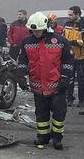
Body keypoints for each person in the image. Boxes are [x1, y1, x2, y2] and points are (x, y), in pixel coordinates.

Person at [16, 12, 73, 150]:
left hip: (57, 86)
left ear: (46, 27)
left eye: (39, 30)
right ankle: (42, 137)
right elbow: (23, 61)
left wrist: (65, 77)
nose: (36, 33)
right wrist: (20, 75)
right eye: (33, 30)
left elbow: (68, 61)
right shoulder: (26, 42)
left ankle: (57, 138)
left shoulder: (60, 41)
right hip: (37, 86)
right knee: (41, 114)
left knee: (59, 113)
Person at [63, 6, 84, 107]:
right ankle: (69, 98)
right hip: (69, 56)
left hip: (81, 57)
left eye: (71, 15)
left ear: (78, 14)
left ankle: (82, 100)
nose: (69, 17)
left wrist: (72, 42)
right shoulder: (67, 24)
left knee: (81, 80)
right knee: (68, 78)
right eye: (68, 15)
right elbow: (63, 37)